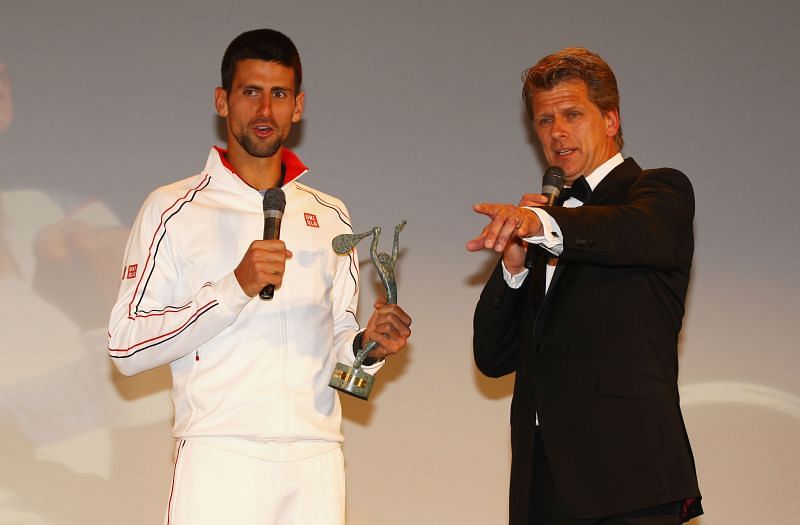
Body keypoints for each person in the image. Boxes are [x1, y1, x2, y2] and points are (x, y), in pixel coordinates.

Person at [107, 29, 412, 525]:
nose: (265, 110)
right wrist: (234, 288)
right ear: (222, 101)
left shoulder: (330, 216)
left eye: (280, 94)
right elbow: (124, 347)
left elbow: (341, 352)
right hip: (220, 453)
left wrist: (368, 349)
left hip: (316, 459)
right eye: (251, 92)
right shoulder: (173, 209)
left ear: (299, 106)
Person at [467, 48, 702, 524]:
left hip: (628, 478)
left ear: (610, 119)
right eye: (544, 120)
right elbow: (492, 359)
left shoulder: (659, 192)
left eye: (572, 114)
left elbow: (630, 232)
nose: (556, 133)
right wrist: (514, 269)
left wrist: (543, 223)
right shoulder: (544, 225)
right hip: (542, 486)